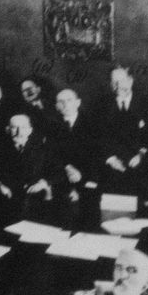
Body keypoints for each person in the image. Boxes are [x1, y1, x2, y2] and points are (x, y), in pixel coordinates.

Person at [0, 114, 70, 227]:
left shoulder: (42, 148)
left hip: (38, 199)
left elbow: (59, 172)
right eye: (14, 127)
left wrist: (43, 183)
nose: (19, 132)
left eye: (23, 128)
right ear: (8, 130)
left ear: (30, 130)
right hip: (9, 200)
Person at [96, 67, 148, 194]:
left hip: (140, 164)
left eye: (121, 81)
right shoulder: (101, 104)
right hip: (110, 165)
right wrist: (110, 159)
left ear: (130, 81)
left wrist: (141, 155)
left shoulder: (147, 103)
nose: (117, 86)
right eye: (113, 82)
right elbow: (98, 136)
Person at [52, 88, 103, 229]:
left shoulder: (93, 124)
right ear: (57, 106)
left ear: (78, 103)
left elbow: (97, 156)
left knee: (89, 227)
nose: (65, 105)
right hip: (62, 181)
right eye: (61, 102)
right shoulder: (51, 126)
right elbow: (51, 155)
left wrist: (82, 177)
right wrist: (67, 168)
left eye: (69, 100)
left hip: (89, 182)